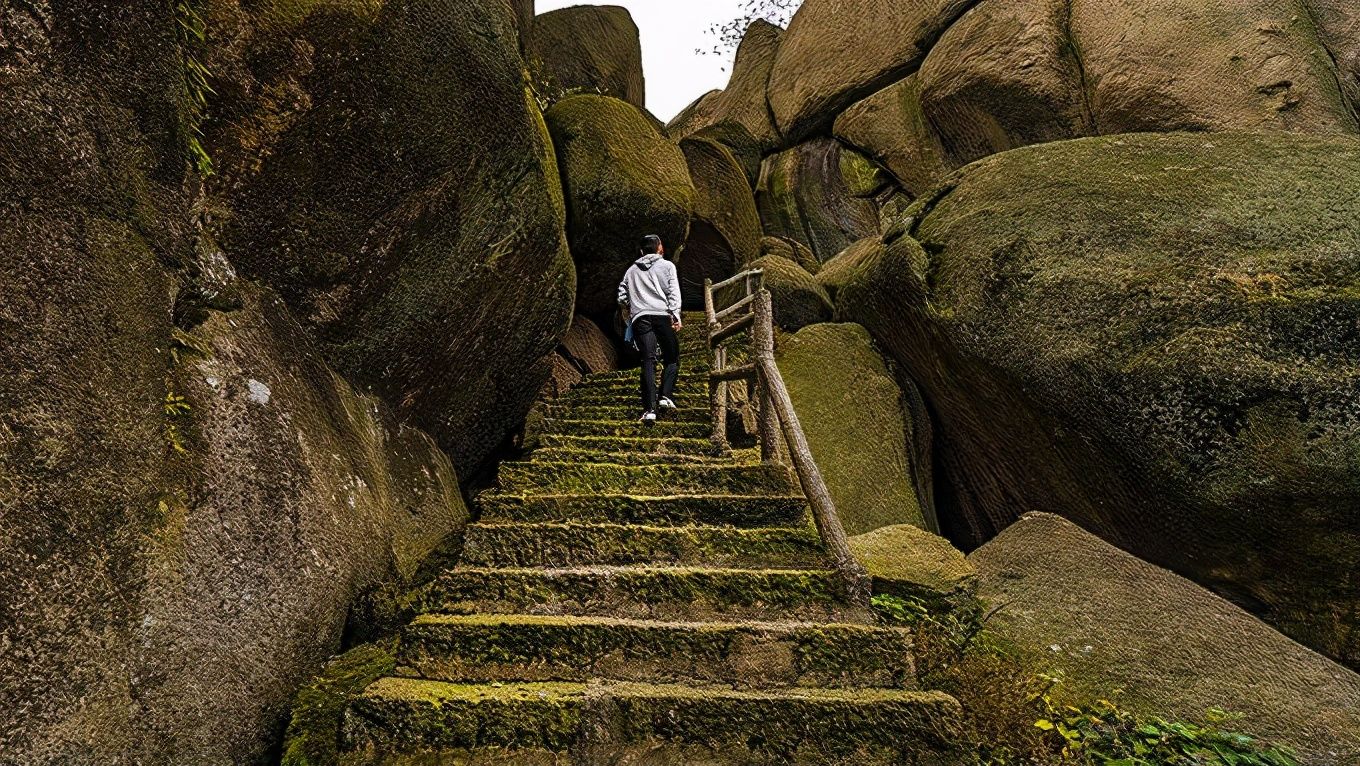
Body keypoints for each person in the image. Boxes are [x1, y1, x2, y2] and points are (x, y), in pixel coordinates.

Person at [617, 234, 682, 423]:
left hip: (640, 318)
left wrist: (634, 304)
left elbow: (621, 298)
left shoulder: (630, 271)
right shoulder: (668, 266)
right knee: (672, 357)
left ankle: (649, 410)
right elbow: (673, 292)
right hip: (662, 315)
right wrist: (675, 314)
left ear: (641, 251)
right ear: (659, 248)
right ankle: (665, 396)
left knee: (648, 360)